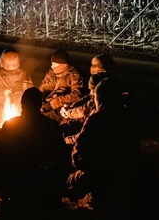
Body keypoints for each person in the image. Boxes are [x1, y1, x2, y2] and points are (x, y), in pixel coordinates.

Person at [67, 77, 141, 220]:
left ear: (99, 98)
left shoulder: (98, 118)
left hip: (103, 176)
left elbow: (81, 148)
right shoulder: (129, 116)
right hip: (127, 174)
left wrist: (80, 168)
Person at [0, 87, 71, 216]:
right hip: (43, 184)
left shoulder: (9, 125)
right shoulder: (51, 125)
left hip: (16, 182)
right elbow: (63, 156)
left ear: (22, 104)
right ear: (40, 104)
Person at [0, 48, 34, 125]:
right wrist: (1, 93)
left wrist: (17, 96)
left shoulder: (24, 77)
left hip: (19, 110)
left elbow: (31, 96)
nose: (10, 68)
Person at [39, 49, 85, 122]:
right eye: (52, 64)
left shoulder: (74, 75)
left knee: (46, 120)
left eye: (55, 65)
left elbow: (77, 95)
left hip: (65, 109)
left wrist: (53, 104)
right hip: (49, 104)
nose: (52, 66)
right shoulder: (51, 73)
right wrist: (38, 100)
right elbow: (43, 87)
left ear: (64, 65)